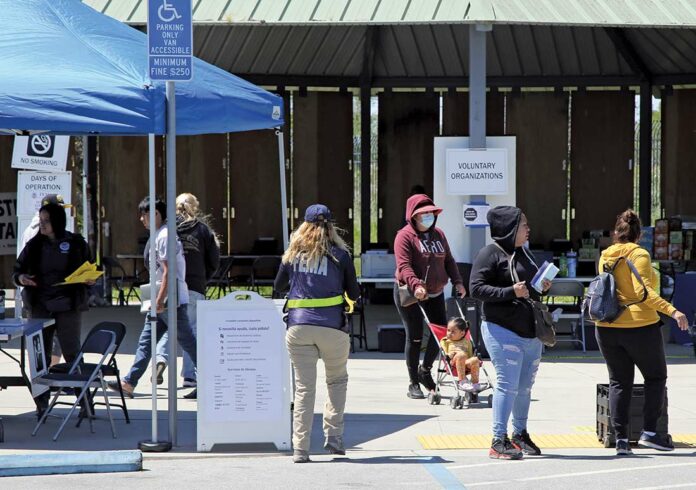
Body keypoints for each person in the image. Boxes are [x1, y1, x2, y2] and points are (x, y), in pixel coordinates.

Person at [596, 209, 689, 455]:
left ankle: (621, 441)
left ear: (617, 233)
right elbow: (643, 293)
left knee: (619, 382)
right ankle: (650, 432)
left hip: (606, 327)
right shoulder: (640, 255)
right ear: (638, 235)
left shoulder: (605, 255)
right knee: (655, 377)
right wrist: (673, 311)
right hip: (638, 327)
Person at [274, 204, 360, 464]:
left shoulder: (292, 254)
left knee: (304, 389)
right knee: (336, 382)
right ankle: (333, 437)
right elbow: (354, 294)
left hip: (298, 328)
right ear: (331, 226)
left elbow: (278, 287)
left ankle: (300, 449)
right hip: (333, 328)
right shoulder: (341, 255)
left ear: (304, 225)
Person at [470, 206, 551, 460]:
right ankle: (498, 439)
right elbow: (476, 289)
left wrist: (542, 287)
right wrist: (509, 292)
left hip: (530, 333)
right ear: (509, 228)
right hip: (501, 330)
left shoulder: (524, 254)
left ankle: (519, 434)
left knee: (525, 387)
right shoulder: (489, 254)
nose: (528, 229)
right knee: (507, 385)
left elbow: (530, 290)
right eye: (523, 225)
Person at [108, 197, 197, 399]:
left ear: (156, 214)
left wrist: (160, 300)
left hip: (169, 302)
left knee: (188, 343)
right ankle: (129, 382)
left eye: (145, 214)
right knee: (146, 342)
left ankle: (211, 379)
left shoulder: (165, 236)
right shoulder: (158, 234)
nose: (141, 219)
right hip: (161, 300)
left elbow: (169, 271)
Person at [13, 196, 92, 414]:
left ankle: (84, 402)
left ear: (57, 220)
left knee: (72, 352)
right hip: (40, 306)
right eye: (41, 220)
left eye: (46, 220)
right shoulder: (34, 244)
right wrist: (21, 279)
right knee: (40, 355)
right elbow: (17, 270)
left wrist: (89, 279)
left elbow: (90, 266)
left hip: (68, 305)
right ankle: (41, 404)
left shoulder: (76, 243)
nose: (42, 224)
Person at [393, 194, 466, 400]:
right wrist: (416, 285)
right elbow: (404, 266)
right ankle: (413, 382)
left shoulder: (439, 235)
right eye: (422, 214)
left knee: (442, 334)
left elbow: (449, 261)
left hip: (435, 292)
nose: (428, 217)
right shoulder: (404, 236)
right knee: (415, 336)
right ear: (413, 216)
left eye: (430, 213)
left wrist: (458, 281)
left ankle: (425, 370)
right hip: (410, 293)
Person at [154, 193, 220, 399]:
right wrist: (204, 278)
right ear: (195, 207)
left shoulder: (167, 229)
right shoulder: (203, 230)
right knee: (191, 332)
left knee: (170, 326)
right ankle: (190, 376)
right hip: (195, 285)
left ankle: (161, 358)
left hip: (170, 285)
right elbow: (214, 260)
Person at [440, 317, 480, 391]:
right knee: (461, 355)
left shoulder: (467, 342)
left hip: (465, 364)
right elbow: (445, 353)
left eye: (453, 332)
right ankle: (462, 381)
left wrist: (475, 360)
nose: (449, 333)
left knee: (475, 359)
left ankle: (475, 383)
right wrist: (449, 355)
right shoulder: (445, 341)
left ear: (462, 333)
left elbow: (470, 355)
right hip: (453, 363)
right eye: (448, 330)